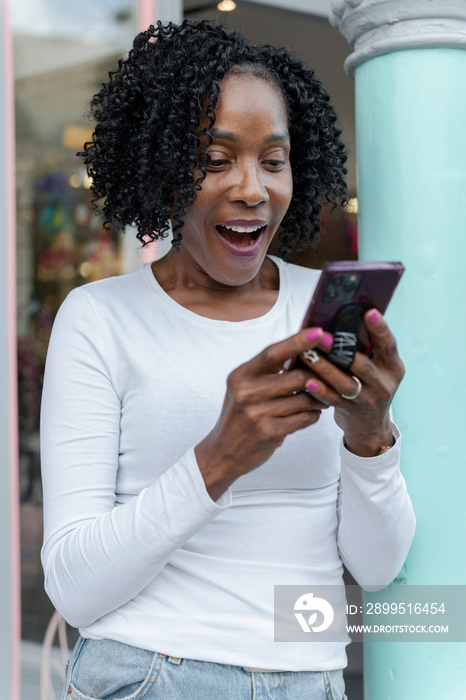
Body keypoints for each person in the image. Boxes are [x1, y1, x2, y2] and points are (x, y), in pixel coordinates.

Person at [40, 19, 415, 700]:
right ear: (160, 168)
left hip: (309, 676)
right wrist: (219, 458)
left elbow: (379, 568)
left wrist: (371, 438)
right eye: (216, 159)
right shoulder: (100, 320)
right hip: (147, 673)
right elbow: (73, 587)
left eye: (274, 160)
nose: (252, 189)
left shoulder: (320, 311)